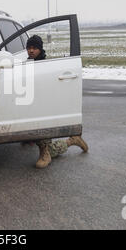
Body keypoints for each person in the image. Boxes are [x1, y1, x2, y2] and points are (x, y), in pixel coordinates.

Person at [25, 35, 89, 169]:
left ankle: (45, 154)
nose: (31, 51)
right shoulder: (27, 64)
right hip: (30, 104)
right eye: (29, 48)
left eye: (34, 48)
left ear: (40, 49)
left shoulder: (45, 66)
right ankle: (72, 140)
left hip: (43, 107)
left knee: (42, 132)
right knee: (52, 148)